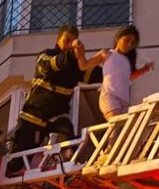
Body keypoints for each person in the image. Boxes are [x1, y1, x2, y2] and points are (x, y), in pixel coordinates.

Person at [10, 25, 107, 158]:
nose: (69, 45)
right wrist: (73, 54)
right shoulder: (45, 56)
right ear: (58, 39)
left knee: (68, 144)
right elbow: (51, 65)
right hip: (33, 115)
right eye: (67, 40)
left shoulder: (75, 68)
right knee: (18, 159)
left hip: (58, 116)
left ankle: (68, 164)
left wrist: (116, 64)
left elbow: (96, 75)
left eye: (72, 42)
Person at [99, 25, 154, 120]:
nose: (129, 45)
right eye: (126, 40)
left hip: (124, 100)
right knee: (117, 124)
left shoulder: (127, 60)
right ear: (118, 38)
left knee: (123, 127)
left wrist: (144, 69)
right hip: (110, 96)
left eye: (132, 43)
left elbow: (130, 76)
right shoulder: (108, 54)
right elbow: (85, 65)